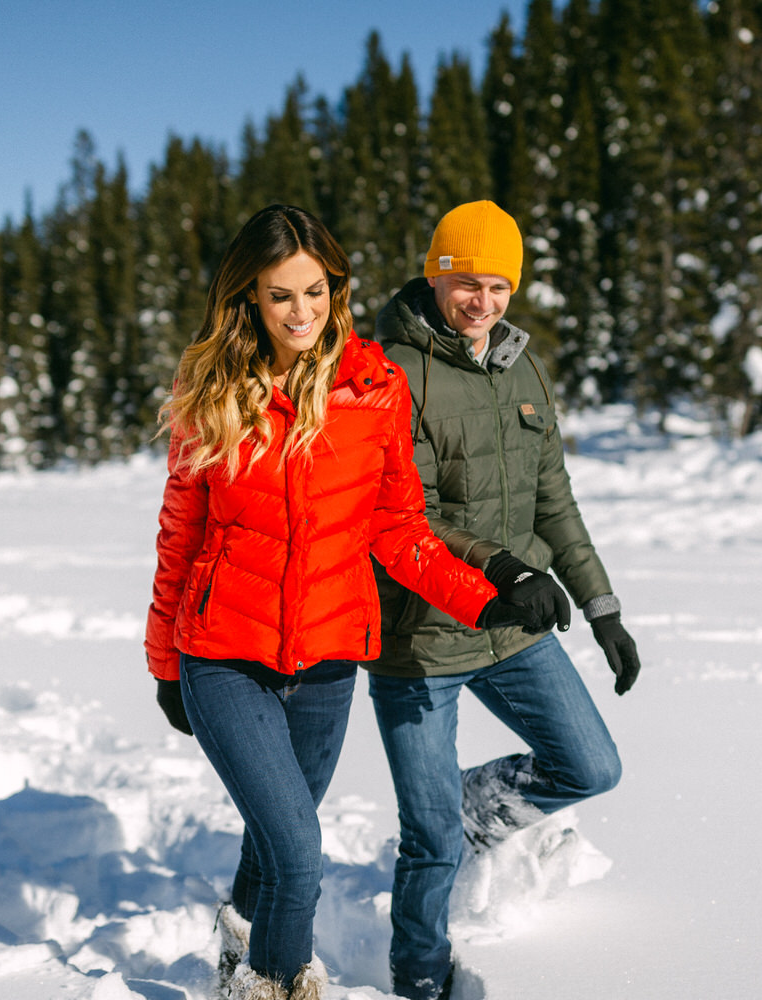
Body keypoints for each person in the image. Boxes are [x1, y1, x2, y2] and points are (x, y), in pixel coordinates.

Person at [144, 204, 562, 1000]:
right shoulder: (214, 390)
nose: (302, 313)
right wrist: (166, 663)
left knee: (275, 843)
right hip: (223, 653)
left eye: (317, 291)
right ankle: (273, 984)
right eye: (280, 296)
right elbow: (179, 536)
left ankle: (239, 946)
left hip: (330, 656)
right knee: (300, 850)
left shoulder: (375, 387)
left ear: (337, 290)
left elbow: (400, 529)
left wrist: (486, 601)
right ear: (250, 302)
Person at [367, 200, 643, 1000]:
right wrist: (509, 573)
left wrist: (603, 608)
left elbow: (553, 499)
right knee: (425, 839)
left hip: (513, 629)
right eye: (464, 282)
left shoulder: (521, 367)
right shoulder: (391, 371)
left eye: (497, 285)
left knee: (590, 765)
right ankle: (418, 974)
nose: (480, 301)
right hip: (418, 638)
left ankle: (470, 806)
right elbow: (407, 515)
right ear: (435, 275)